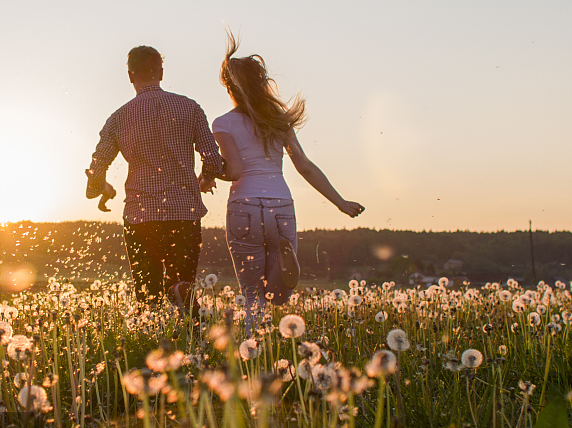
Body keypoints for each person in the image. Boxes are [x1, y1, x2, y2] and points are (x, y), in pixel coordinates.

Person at [208, 32, 364, 324]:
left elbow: (235, 171)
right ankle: (285, 268)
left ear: (229, 86)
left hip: (244, 207)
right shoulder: (277, 119)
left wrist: (210, 173)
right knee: (276, 296)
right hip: (280, 204)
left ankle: (255, 351)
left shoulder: (223, 123)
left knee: (252, 294)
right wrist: (340, 202)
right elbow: (304, 166)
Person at [86, 45, 223, 307]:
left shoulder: (117, 118)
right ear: (160, 73)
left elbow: (96, 170)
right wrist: (204, 179)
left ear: (130, 76)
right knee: (181, 284)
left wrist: (103, 190)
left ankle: (150, 334)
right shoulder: (190, 108)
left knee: (147, 297)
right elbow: (214, 163)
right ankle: (189, 327)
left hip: (140, 215)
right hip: (183, 213)